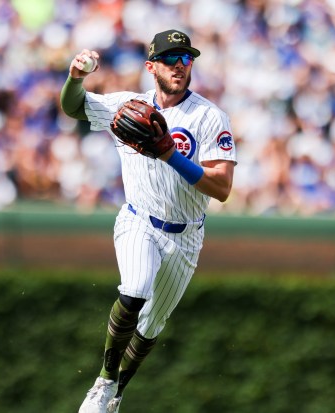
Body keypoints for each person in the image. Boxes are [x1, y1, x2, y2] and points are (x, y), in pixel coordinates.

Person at [60, 29, 237, 413]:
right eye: (171, 58)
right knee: (135, 287)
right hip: (138, 220)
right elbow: (74, 108)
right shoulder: (128, 106)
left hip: (186, 236)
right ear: (151, 66)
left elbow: (221, 188)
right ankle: (103, 381)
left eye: (186, 58)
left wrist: (170, 155)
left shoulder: (209, 116)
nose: (179, 65)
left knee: (151, 326)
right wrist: (76, 77)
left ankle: (118, 391)